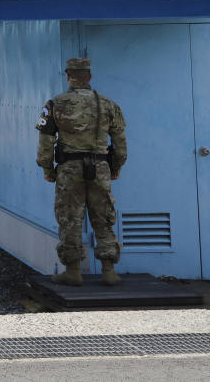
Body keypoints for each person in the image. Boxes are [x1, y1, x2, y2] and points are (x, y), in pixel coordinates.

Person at [36, 57, 127, 286]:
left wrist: (48, 169)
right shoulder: (108, 104)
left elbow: (46, 142)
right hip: (100, 168)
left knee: (70, 218)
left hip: (69, 169)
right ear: (90, 77)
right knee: (103, 216)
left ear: (68, 76)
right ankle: (108, 271)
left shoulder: (54, 104)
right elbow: (120, 144)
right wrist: (115, 167)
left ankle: (73, 270)